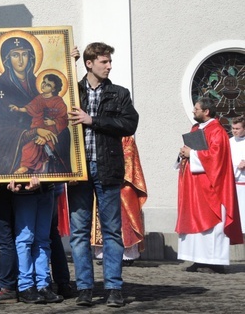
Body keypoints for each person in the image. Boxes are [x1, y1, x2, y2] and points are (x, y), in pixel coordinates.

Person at [68, 42, 139, 308]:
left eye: (109, 62)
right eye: (104, 62)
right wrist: (67, 62)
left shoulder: (119, 93)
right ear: (89, 63)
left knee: (111, 230)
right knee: (79, 232)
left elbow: (129, 124)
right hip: (78, 168)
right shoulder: (73, 91)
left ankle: (113, 287)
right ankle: (85, 288)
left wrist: (93, 121)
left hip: (107, 168)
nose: (109, 66)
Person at [0, 36, 70, 177]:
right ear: (7, 59)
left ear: (31, 57)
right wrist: (34, 132)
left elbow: (60, 116)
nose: (21, 60)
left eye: (24, 54)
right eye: (15, 55)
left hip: (45, 157)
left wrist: (71, 64)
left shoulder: (42, 85)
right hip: (9, 158)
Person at [176, 98, 243, 273]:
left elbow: (217, 158)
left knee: (213, 224)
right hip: (195, 186)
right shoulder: (195, 129)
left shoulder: (217, 131)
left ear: (206, 111)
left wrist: (193, 154)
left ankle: (214, 261)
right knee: (195, 221)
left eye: (196, 109)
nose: (193, 111)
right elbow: (191, 151)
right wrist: (183, 154)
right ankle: (198, 259)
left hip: (212, 186)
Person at [8, 176, 62, 304]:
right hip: (24, 192)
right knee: (25, 239)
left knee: (43, 239)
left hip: (47, 188)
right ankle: (25, 285)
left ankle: (43, 284)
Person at [10, 73, 69, 174]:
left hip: (52, 130)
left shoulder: (58, 101)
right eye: (44, 82)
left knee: (40, 145)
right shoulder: (39, 98)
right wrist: (18, 109)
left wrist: (53, 122)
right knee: (28, 147)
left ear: (54, 90)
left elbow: (64, 118)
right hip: (38, 127)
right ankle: (25, 166)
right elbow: (30, 108)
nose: (44, 85)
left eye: (48, 85)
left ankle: (28, 166)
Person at [229, 116, 245, 235]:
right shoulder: (229, 142)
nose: (234, 131)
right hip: (233, 182)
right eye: (233, 128)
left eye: (237, 128)